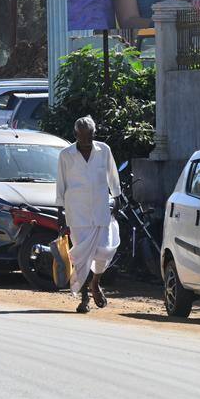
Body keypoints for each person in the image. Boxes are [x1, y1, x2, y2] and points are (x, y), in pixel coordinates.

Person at [55, 116, 122, 314]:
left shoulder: (104, 150)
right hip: (77, 213)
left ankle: (95, 282)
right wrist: (60, 211)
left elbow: (112, 174)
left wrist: (117, 197)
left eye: (90, 136)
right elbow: (61, 183)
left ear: (94, 134)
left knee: (105, 250)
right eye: (82, 137)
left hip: (101, 209)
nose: (86, 141)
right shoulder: (66, 155)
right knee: (82, 257)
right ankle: (84, 297)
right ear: (76, 135)